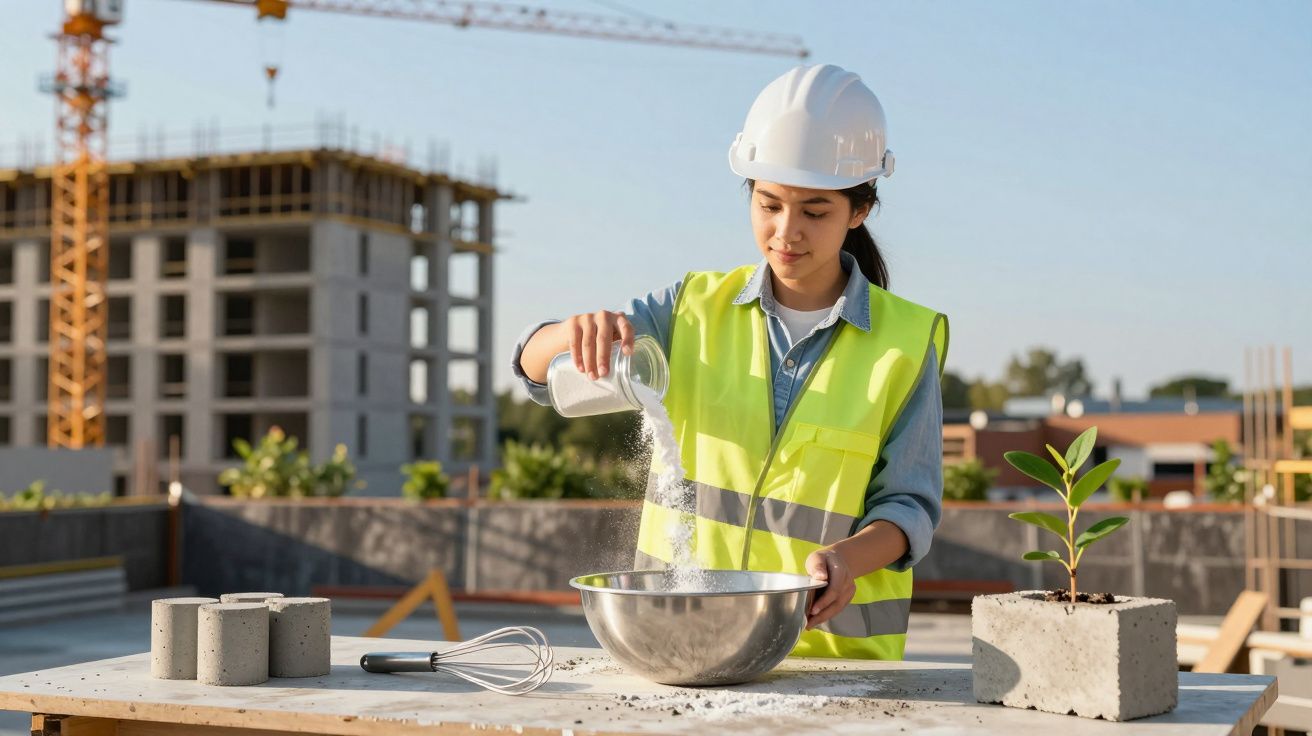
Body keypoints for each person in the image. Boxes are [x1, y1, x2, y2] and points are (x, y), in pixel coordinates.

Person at [512, 64, 948, 661]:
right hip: (679, 645)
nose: (786, 232)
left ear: (860, 209)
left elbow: (909, 507)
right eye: (768, 204)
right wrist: (569, 332)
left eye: (815, 212)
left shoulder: (905, 342)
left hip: (828, 664)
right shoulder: (689, 309)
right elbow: (540, 378)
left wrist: (847, 559)